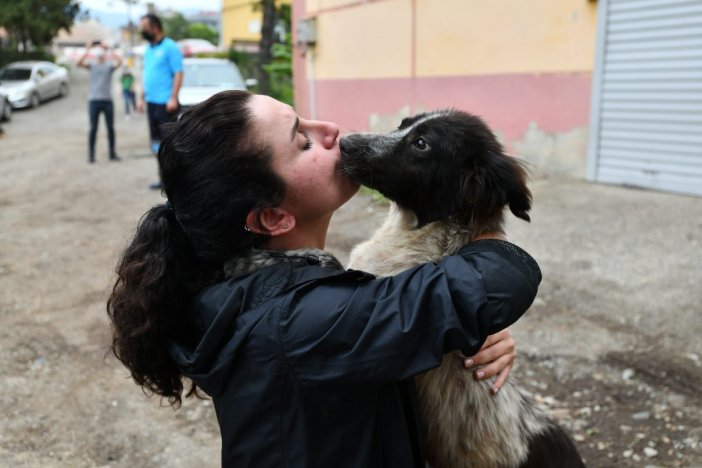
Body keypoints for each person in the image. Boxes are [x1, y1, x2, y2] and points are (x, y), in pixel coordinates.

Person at [107, 91, 541, 467]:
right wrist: (481, 231)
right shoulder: (303, 323)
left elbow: (400, 326)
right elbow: (500, 278)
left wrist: (464, 336)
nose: (332, 130)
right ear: (272, 217)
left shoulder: (249, 295)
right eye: (302, 140)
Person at [136, 13, 183, 190]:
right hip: (151, 103)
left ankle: (175, 182)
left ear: (155, 27)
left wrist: (173, 97)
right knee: (155, 142)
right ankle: (163, 179)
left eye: (144, 27)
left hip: (166, 103)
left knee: (169, 144)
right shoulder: (148, 50)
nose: (142, 31)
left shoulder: (170, 47)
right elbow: (146, 76)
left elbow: (178, 72)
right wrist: (141, 98)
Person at [77, 41, 122, 163]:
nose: (99, 52)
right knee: (93, 128)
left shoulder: (109, 65)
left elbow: (120, 62)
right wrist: (88, 49)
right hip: (93, 101)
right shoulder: (91, 64)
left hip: (107, 101)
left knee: (110, 128)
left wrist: (109, 49)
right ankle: (91, 155)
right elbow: (78, 62)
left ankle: (112, 153)